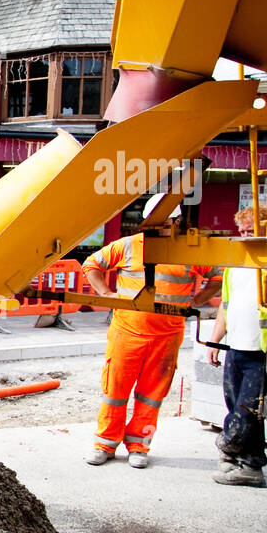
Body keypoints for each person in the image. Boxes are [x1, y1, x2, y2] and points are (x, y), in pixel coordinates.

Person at [82, 195, 222, 468]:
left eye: (167, 222)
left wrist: (198, 300)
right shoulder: (128, 247)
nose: (161, 228)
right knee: (115, 390)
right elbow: (91, 265)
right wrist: (105, 293)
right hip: (127, 332)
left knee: (151, 394)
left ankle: (139, 446)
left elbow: (218, 274)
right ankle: (105, 444)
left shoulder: (188, 251)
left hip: (167, 337)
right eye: (156, 223)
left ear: (176, 222)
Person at [207, 207, 267, 487]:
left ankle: (228, 447)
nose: (245, 236)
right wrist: (215, 340)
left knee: (246, 412)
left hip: (262, 351)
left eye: (251, 230)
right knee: (236, 407)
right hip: (236, 348)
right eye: (242, 231)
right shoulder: (236, 264)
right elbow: (226, 305)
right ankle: (249, 465)